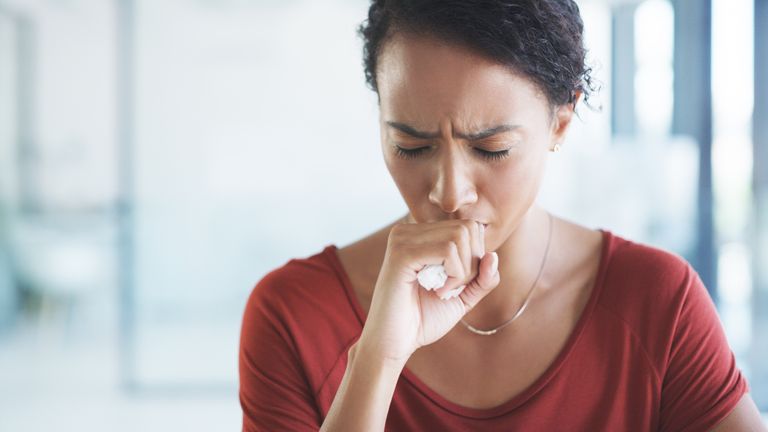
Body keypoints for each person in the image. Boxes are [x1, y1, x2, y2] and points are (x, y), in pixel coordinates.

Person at [239, 1, 766, 430]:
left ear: (561, 122)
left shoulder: (657, 304)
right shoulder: (292, 314)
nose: (449, 193)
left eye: (491, 148)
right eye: (410, 145)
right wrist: (376, 360)